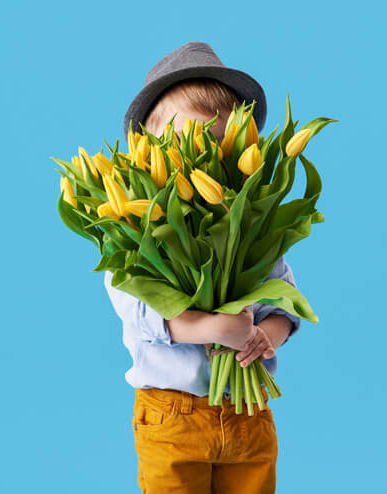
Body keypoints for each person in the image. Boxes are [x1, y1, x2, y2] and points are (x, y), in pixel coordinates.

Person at [105, 41, 302, 494]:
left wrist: (262, 337)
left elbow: (283, 300)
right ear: (147, 153)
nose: (202, 162)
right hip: (173, 415)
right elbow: (144, 315)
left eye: (216, 144)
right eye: (183, 145)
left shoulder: (251, 227)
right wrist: (215, 329)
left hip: (247, 411)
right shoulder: (135, 233)